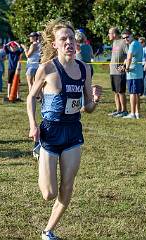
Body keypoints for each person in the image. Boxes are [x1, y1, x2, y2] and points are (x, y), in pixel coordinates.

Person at [27, 19, 102, 240]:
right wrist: (33, 125)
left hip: (73, 132)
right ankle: (38, 150)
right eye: (64, 39)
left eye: (71, 38)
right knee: (48, 193)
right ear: (56, 44)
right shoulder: (47, 68)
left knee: (67, 187)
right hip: (49, 132)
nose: (69, 42)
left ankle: (48, 230)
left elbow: (88, 107)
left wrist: (95, 100)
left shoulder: (84, 69)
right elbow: (31, 98)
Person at [122, 29, 143, 119]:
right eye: (124, 38)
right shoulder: (137, 44)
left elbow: (129, 58)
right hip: (138, 73)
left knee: (132, 93)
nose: (125, 39)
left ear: (131, 36)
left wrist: (126, 68)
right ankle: (137, 113)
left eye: (127, 37)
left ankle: (133, 113)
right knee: (136, 93)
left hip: (133, 73)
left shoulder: (133, 44)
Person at [107, 27, 128, 117]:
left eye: (109, 33)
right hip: (113, 71)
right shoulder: (114, 43)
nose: (108, 35)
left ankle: (124, 110)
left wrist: (124, 66)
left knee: (121, 91)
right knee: (115, 92)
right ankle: (118, 110)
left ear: (114, 34)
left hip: (120, 72)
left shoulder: (123, 42)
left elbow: (129, 55)